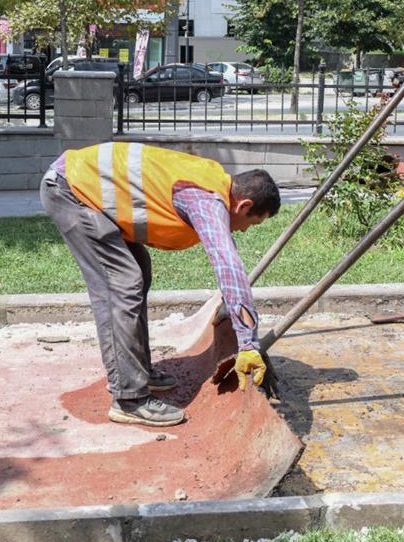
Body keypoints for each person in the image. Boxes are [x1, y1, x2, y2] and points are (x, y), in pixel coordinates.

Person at [41, 142, 280, 427]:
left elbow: (227, 256)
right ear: (244, 205)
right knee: (123, 284)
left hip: (82, 188)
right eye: (250, 223)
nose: (243, 229)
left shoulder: (212, 182)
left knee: (138, 270)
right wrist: (248, 343)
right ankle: (129, 398)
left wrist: (233, 306)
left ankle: (135, 371)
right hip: (72, 191)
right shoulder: (206, 198)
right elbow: (227, 262)